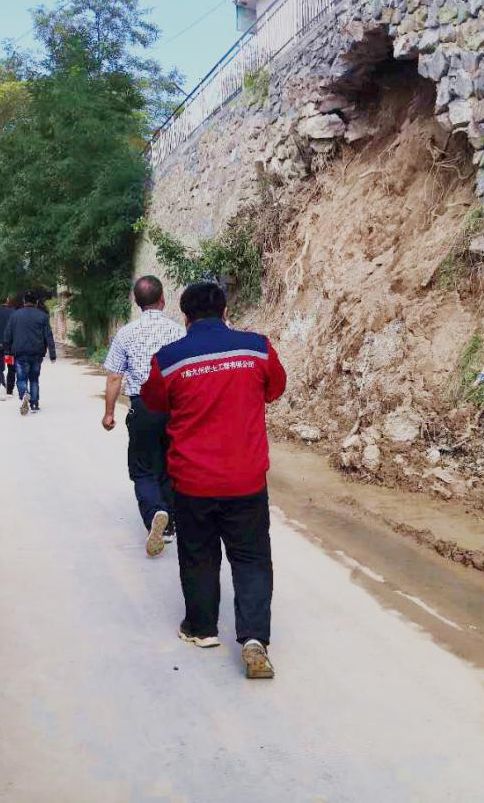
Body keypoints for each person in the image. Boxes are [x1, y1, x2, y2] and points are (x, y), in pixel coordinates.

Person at [140, 280, 287, 679]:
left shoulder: (169, 358)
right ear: (225, 311)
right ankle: (254, 638)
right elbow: (275, 387)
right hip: (247, 480)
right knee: (252, 558)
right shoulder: (256, 347)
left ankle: (202, 628)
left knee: (199, 555)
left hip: (193, 482)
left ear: (185, 318)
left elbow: (154, 402)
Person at [102, 275, 185, 557]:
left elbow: (115, 376)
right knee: (170, 464)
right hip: (176, 408)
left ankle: (155, 514)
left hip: (144, 407)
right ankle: (171, 524)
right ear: (163, 299)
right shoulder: (179, 332)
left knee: (143, 468)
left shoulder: (125, 333)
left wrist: (109, 413)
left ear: (137, 303)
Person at [2, 290, 57, 415]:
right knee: (34, 379)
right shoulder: (42, 316)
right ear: (36, 302)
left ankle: (24, 394)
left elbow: (7, 335)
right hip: (37, 354)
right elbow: (48, 336)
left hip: (20, 353)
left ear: (24, 302)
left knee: (21, 379)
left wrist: (7, 352)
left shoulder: (15, 315)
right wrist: (52, 355)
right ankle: (34, 403)